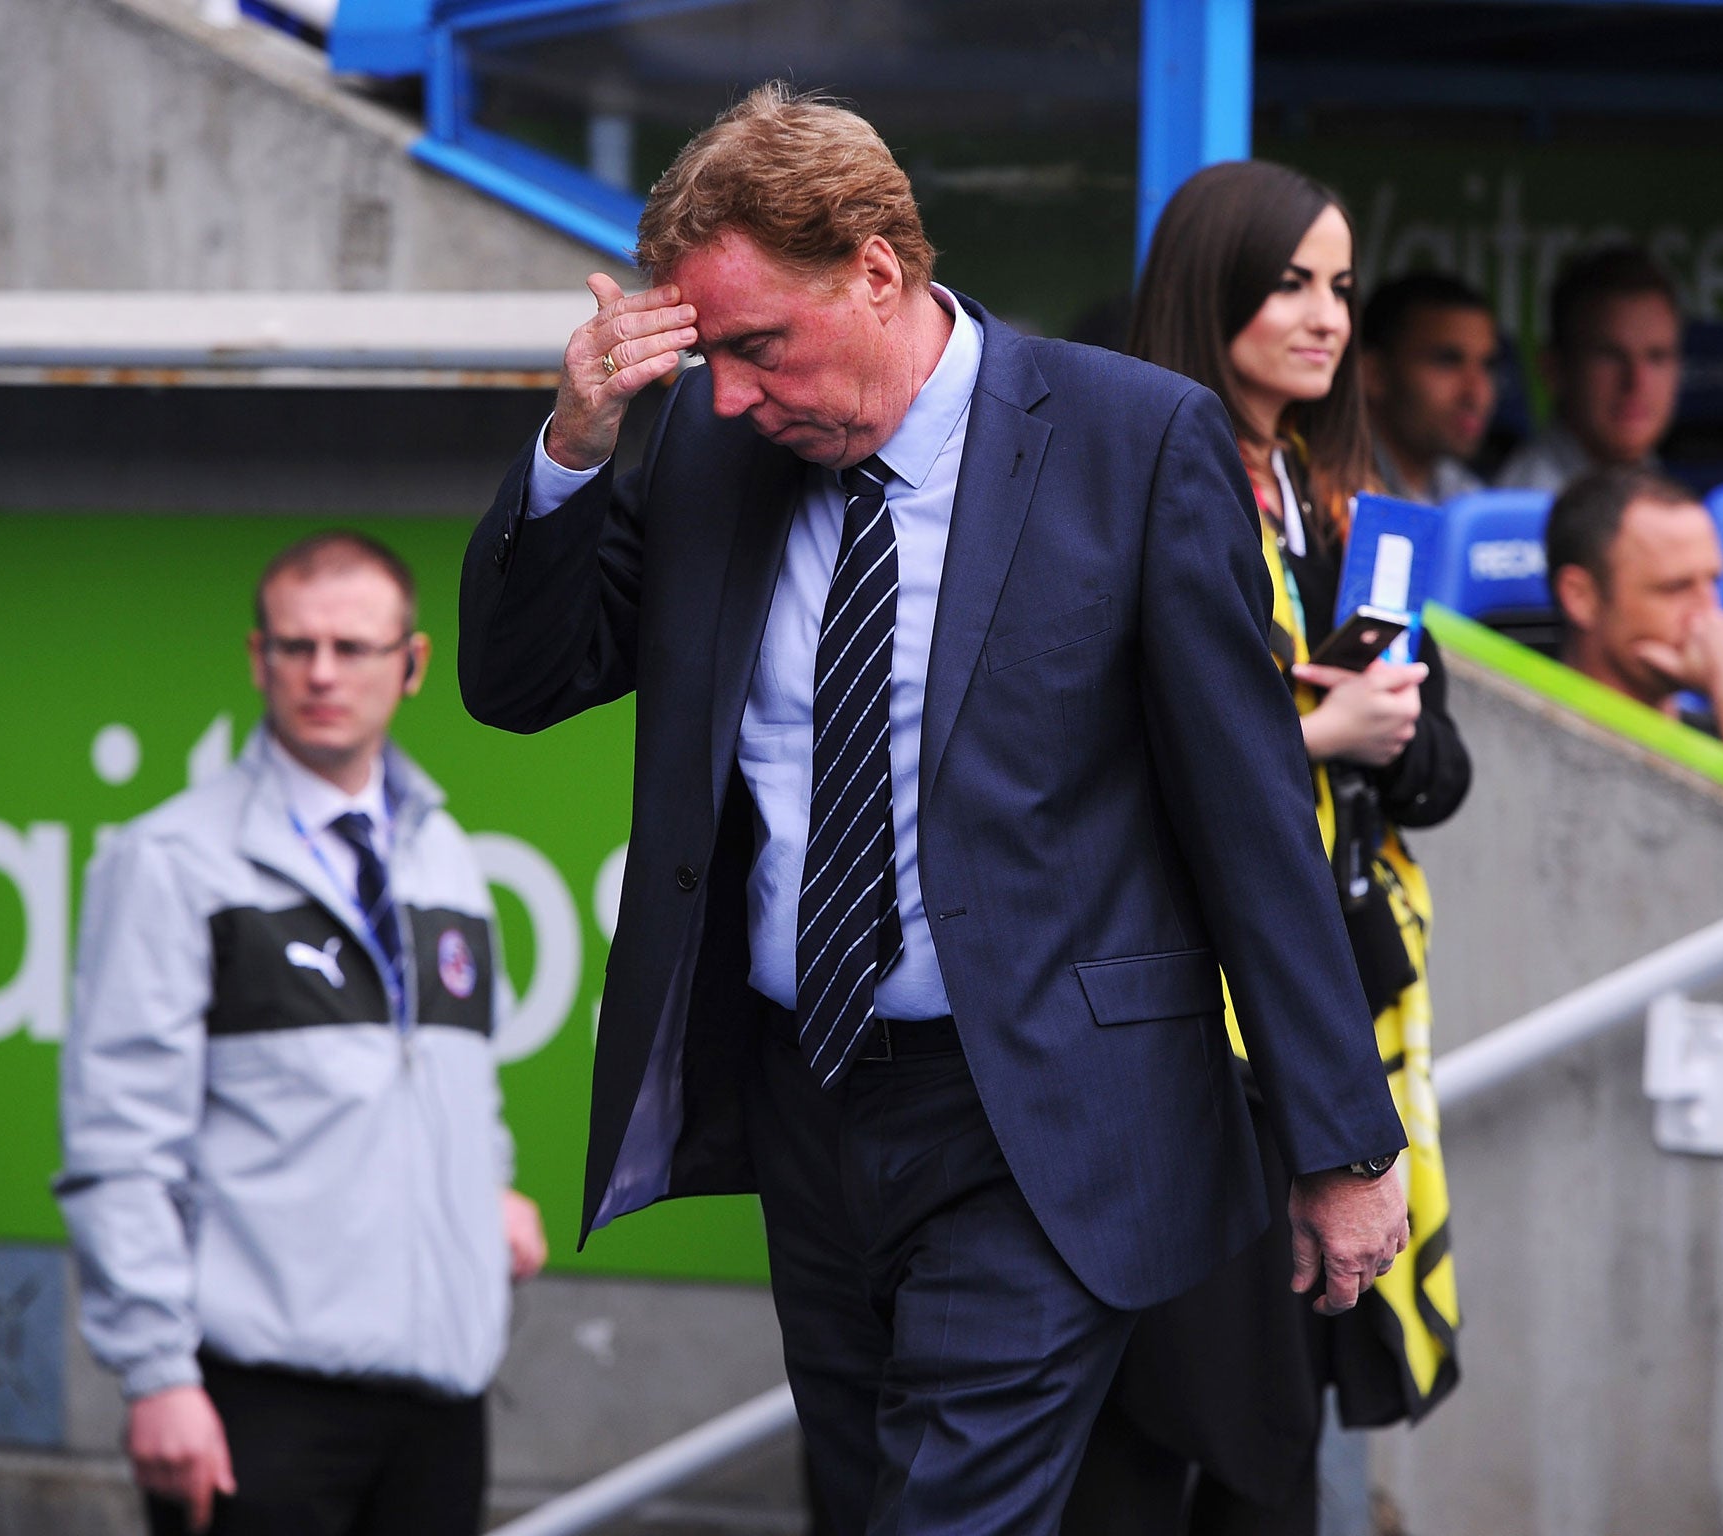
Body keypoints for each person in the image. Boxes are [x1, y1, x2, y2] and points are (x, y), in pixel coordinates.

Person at [458, 85, 1409, 1536]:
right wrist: (579, 443)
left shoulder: (1134, 442)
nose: (727, 391)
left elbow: (1253, 815)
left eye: (758, 345)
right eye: (708, 355)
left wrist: (1344, 1144)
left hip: (1044, 1114)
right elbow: (521, 681)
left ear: (878, 269)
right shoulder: (717, 450)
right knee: (865, 1507)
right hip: (809, 1096)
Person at [1059, 161, 1470, 1536]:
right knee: (1163, 1429)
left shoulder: (1347, 500)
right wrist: (1309, 735)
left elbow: (1439, 774)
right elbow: (1081, 769)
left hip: (1340, 1006)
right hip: (1177, 1031)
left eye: (1343, 286)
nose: (1326, 316)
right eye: (1291, 280)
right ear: (1209, 284)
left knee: (1279, 1437)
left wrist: (1385, 729)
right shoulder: (1114, 480)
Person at [56, 532, 548, 1536]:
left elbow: (455, 1082)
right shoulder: (171, 861)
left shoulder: (443, 852)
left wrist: (481, 1188)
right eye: (295, 646)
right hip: (257, 1406)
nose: (320, 673)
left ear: (409, 666)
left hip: (441, 1398)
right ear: (257, 658)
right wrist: (155, 1376)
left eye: (351, 648)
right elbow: (119, 1144)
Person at [1546, 466, 1723, 790]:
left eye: (1712, 582)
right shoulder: (1528, 748)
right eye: (1675, 588)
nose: (1707, 614)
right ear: (1581, 597)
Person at [1498, 244, 1683, 494]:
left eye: (1657, 357)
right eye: (1610, 355)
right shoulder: (1524, 506)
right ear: (1555, 369)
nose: (1636, 381)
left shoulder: (1656, 482)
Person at [1360, 270, 1500, 505]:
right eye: (1447, 361)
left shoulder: (1467, 495)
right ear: (1374, 374)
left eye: (1488, 366)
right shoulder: (1330, 491)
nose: (1476, 393)